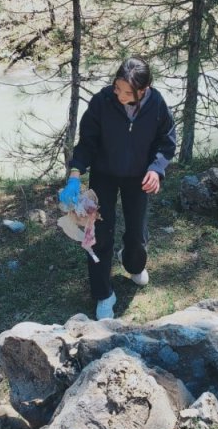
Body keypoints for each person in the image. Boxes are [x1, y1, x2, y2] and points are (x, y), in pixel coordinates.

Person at [60, 58, 177, 320]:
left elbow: (167, 141)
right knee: (99, 233)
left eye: (127, 92)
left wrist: (156, 169)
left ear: (144, 90)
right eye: (117, 88)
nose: (120, 96)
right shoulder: (102, 102)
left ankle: (133, 264)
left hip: (139, 177)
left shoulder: (156, 105)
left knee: (137, 232)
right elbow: (87, 142)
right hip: (104, 175)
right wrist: (75, 174)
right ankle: (104, 294)